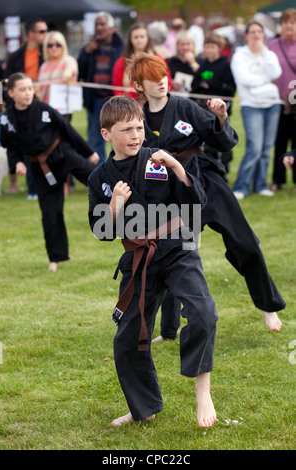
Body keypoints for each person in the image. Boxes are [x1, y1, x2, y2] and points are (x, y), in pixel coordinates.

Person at [127, 52, 285, 341]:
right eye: (152, 78)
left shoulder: (186, 107)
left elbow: (223, 141)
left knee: (244, 241)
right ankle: (169, 330)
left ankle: (268, 305)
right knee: (175, 253)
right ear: (139, 85)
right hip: (169, 191)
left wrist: (221, 116)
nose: (161, 81)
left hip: (204, 179)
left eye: (163, 74)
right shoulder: (137, 118)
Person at [88, 95, 218, 428]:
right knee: (128, 337)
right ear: (106, 135)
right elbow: (102, 232)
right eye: (126, 129)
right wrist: (114, 204)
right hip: (139, 258)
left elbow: (195, 203)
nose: (135, 135)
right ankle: (143, 407)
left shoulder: (159, 159)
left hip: (177, 247)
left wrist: (178, 168)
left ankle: (203, 390)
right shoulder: (100, 177)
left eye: (139, 127)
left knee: (203, 313)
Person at [0, 73, 99, 272]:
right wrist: (18, 163)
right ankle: (56, 258)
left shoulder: (43, 109)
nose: (28, 93)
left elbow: (67, 129)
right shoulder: (6, 119)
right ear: (11, 93)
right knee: (50, 213)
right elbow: (11, 147)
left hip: (64, 155)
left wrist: (89, 153)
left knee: (97, 182)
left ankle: (127, 207)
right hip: (41, 168)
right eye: (22, 89)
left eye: (30, 88)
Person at [230, 21, 282, 199]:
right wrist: (265, 80)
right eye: (252, 32)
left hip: (273, 103)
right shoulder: (239, 55)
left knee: (267, 149)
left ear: (263, 35)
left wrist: (265, 54)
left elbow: (275, 73)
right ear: (246, 35)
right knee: (255, 148)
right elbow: (244, 80)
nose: (256, 35)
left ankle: (261, 184)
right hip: (252, 105)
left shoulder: (269, 53)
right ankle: (241, 186)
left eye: (259, 32)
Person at [5, 18, 48, 198]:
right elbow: (7, 83)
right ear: (30, 33)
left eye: (46, 31)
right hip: (21, 107)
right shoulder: (16, 56)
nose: (45, 35)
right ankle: (31, 187)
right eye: (41, 31)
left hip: (43, 104)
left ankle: (50, 185)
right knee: (24, 146)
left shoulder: (46, 53)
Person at [78, 12, 124, 163]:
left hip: (116, 99)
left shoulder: (121, 46)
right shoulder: (90, 48)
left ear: (111, 27)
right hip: (96, 100)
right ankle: (99, 174)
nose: (99, 27)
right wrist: (87, 53)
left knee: (119, 137)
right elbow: (80, 72)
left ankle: (118, 170)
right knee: (95, 139)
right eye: (96, 24)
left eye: (102, 24)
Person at [37, 31, 79, 195]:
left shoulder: (67, 60)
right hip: (46, 111)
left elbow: (72, 68)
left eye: (57, 44)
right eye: (50, 44)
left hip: (63, 111)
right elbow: (41, 90)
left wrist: (68, 73)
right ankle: (55, 180)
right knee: (50, 146)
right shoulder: (44, 66)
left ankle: (67, 184)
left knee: (63, 146)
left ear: (63, 46)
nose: (54, 48)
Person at [190, 32, 236, 174]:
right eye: (207, 47)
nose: (209, 50)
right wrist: (202, 85)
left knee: (220, 137)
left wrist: (211, 84)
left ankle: (223, 166)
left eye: (212, 47)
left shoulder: (225, 65)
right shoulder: (203, 64)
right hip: (202, 108)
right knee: (205, 138)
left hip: (218, 108)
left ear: (219, 47)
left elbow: (231, 88)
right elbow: (194, 85)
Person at [268, 8, 296, 192]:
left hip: (295, 102)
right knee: (279, 141)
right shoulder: (272, 45)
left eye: (292, 22)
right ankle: (277, 179)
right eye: (285, 22)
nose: (288, 25)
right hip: (277, 101)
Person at [111, 22, 172, 102]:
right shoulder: (122, 61)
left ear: (147, 38)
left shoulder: (157, 58)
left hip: (154, 103)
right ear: (130, 39)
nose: (139, 40)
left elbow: (167, 81)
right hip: (130, 105)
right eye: (135, 37)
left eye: (142, 37)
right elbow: (117, 86)